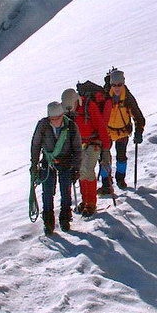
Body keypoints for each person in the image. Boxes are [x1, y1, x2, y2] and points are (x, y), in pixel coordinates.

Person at [31, 101, 82, 235]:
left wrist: (76, 167)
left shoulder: (70, 126)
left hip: (66, 162)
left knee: (66, 191)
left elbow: (77, 148)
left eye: (58, 118)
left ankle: (65, 219)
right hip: (48, 163)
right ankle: (48, 222)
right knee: (48, 193)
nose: (56, 122)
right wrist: (34, 164)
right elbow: (35, 145)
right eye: (53, 119)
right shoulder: (43, 126)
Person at [63, 87, 111, 217]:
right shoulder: (68, 111)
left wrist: (105, 149)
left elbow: (101, 126)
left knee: (87, 170)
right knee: (81, 173)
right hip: (78, 146)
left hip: (93, 143)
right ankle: (85, 201)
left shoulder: (89, 106)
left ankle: (91, 203)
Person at [99, 69, 145, 193]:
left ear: (123, 83)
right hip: (108, 132)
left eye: (119, 85)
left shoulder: (128, 98)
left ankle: (120, 179)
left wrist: (139, 132)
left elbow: (138, 116)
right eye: (114, 85)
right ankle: (106, 183)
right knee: (104, 158)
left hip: (122, 131)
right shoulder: (105, 96)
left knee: (121, 156)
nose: (117, 87)